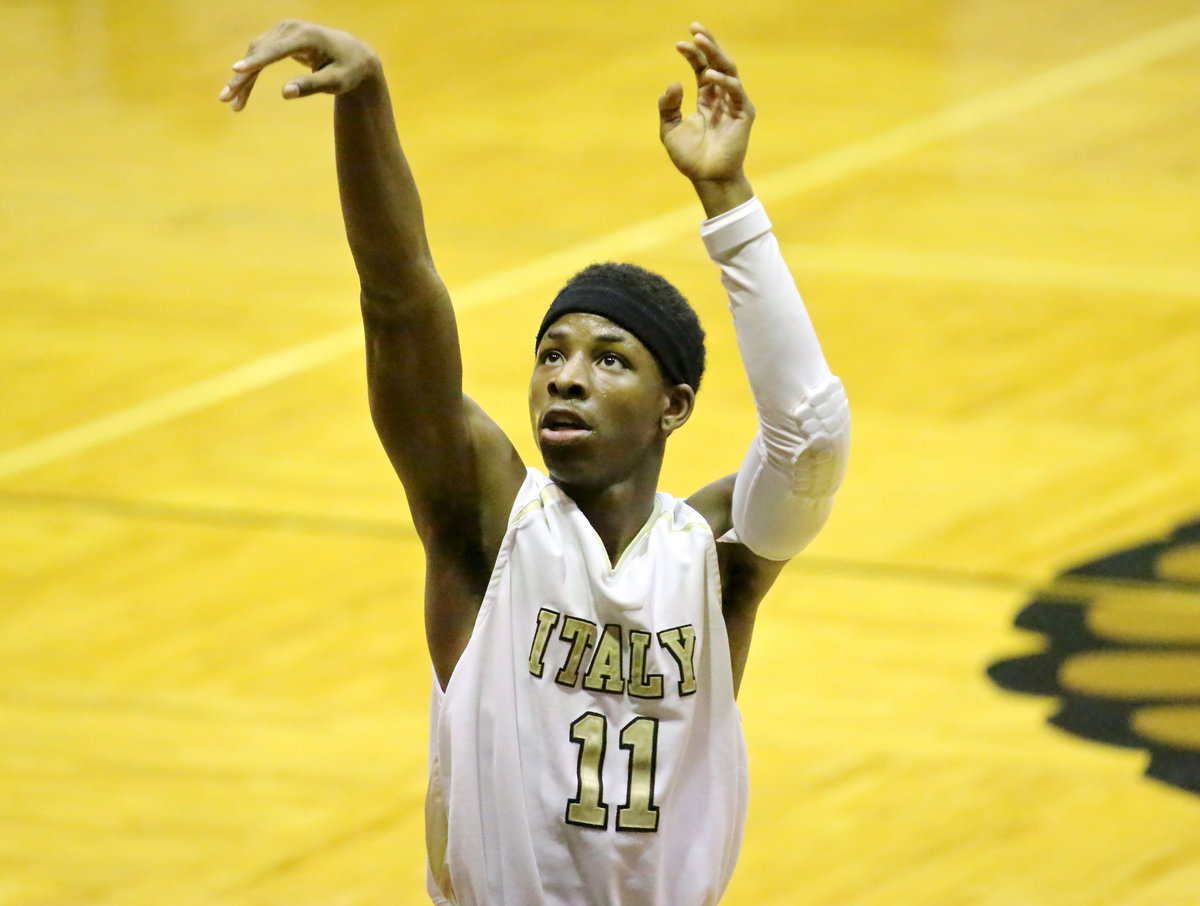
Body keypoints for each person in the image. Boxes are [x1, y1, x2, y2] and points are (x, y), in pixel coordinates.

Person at [220, 19, 849, 906]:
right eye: (551, 354)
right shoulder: (484, 524)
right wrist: (365, 103)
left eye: (609, 360)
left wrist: (729, 200)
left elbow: (812, 434)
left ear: (673, 406)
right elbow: (401, 304)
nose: (567, 379)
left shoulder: (715, 561)